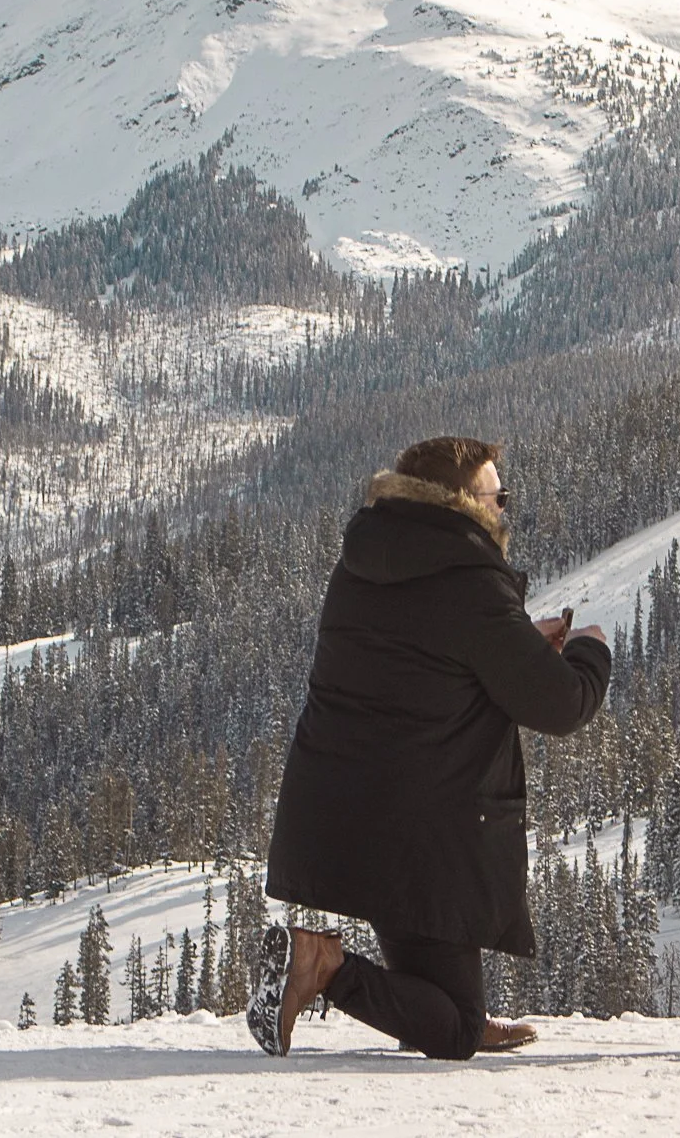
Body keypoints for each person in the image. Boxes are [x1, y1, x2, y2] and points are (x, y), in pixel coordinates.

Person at [250, 436, 611, 1060]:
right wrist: (589, 650)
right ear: (464, 502)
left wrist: (514, 641)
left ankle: (335, 971)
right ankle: (322, 968)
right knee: (455, 1035)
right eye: (500, 497)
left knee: (450, 1010)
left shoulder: (370, 554)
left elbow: (423, 655)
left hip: (340, 805)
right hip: (421, 831)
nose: (506, 511)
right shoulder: (469, 577)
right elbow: (559, 705)